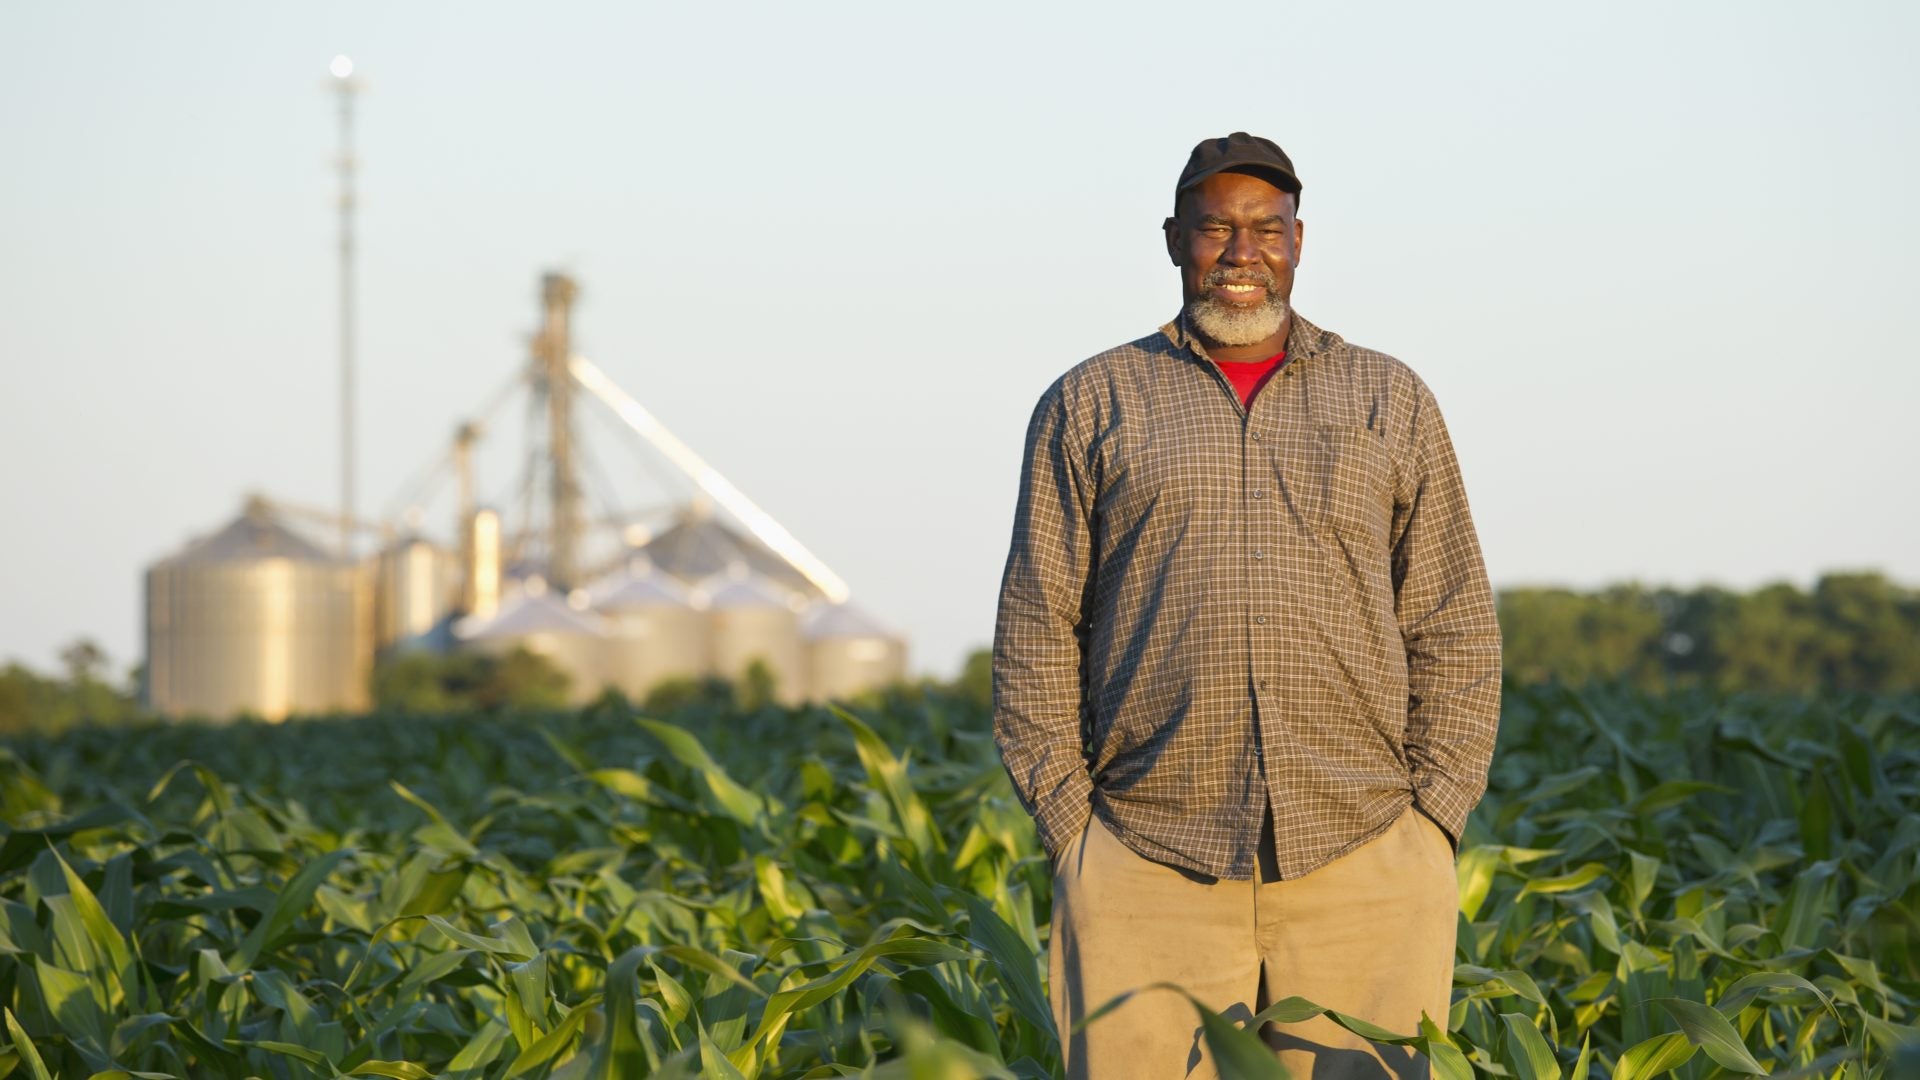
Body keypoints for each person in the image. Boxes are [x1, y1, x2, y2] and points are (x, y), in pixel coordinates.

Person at [991, 132, 1501, 1079]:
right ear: (1173, 239)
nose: (1241, 252)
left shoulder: (1389, 398)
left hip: (1366, 852)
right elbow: (1036, 625)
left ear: (1299, 242)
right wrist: (1070, 825)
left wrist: (1433, 821)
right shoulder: (1090, 402)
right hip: (1146, 853)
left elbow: (1453, 619)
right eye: (1215, 228)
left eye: (1265, 229)